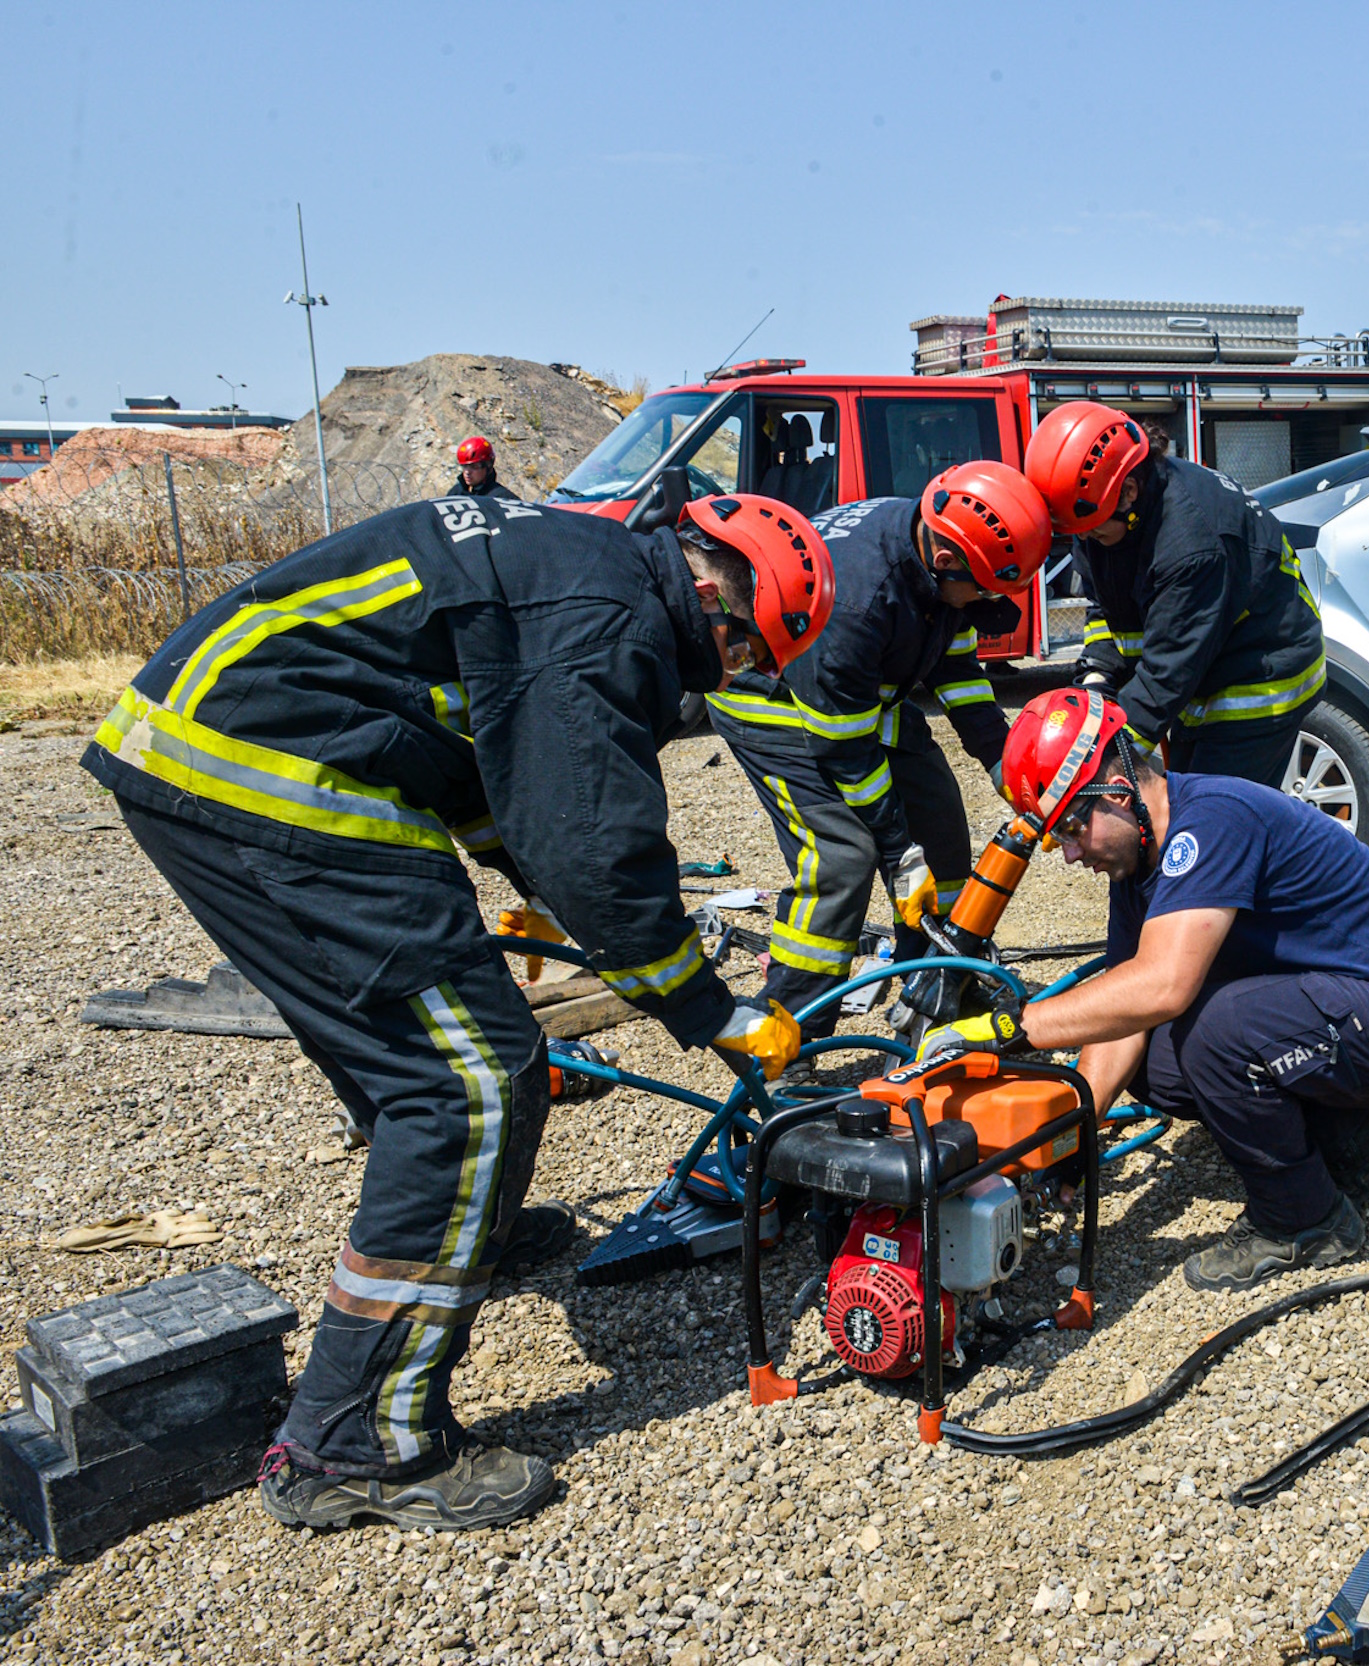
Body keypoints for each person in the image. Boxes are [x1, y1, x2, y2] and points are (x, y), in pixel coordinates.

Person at [84, 490, 830, 1530]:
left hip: (216, 736)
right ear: (714, 592)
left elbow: (506, 776)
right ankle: (357, 1442)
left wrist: (573, 898)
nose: (735, 677)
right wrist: (714, 1012)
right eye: (745, 653)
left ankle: (459, 1222)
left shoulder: (588, 566)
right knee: (470, 1081)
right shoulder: (613, 623)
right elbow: (594, 850)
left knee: (436, 1042)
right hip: (265, 765)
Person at [919, 688, 1369, 1290]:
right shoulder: (1139, 863)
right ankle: (1368, 1147)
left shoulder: (1211, 820)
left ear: (1117, 787)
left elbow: (1162, 986)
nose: (1073, 854)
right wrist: (1073, 1136)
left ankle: (1303, 1221)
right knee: (1158, 1062)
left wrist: (1009, 1028)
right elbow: (1125, 1008)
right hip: (1358, 1009)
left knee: (1217, 1032)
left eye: (1075, 829)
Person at [705, 462, 1050, 1026]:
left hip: (859, 698)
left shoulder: (935, 543)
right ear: (943, 561)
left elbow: (956, 666)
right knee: (842, 858)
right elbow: (847, 750)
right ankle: (787, 1033)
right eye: (981, 589)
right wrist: (897, 852)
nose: (984, 601)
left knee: (939, 827)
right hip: (773, 701)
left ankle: (935, 982)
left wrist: (1004, 761)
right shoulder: (857, 601)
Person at [1020, 401, 1325, 788]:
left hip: (1259, 679)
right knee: (1182, 793)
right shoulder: (1099, 510)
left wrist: (1097, 758)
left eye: (1094, 532)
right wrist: (1096, 679)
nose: (1086, 541)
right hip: (1200, 664)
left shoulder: (1190, 546)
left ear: (1129, 491)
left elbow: (1167, 674)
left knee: (1214, 817)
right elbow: (1106, 608)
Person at [451, 435, 518, 500]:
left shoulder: (502, 498)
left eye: (474, 467)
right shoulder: (455, 493)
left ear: (488, 466)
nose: (467, 472)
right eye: (464, 466)